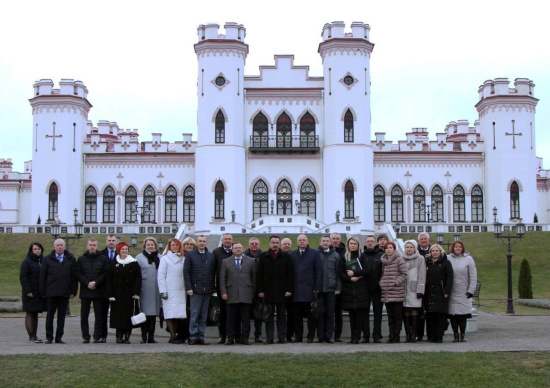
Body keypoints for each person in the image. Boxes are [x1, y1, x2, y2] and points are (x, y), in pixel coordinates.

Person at [256, 235, 294, 344]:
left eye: (277, 242)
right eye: (273, 242)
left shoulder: (286, 257)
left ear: (280, 244)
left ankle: (282, 337)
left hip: (282, 292)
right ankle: (269, 338)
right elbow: (259, 275)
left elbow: (290, 275)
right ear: (270, 244)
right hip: (268, 292)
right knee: (269, 317)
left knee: (282, 317)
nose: (275, 244)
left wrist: (289, 289)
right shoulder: (263, 256)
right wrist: (260, 290)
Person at [39, 238, 77, 344]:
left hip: (64, 292)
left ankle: (59, 337)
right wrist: (43, 291)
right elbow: (43, 277)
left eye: (61, 245)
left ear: (64, 247)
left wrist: (73, 291)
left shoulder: (70, 259)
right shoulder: (47, 259)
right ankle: (49, 337)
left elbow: (74, 276)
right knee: (50, 315)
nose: (59, 247)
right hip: (51, 292)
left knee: (61, 316)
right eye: (57, 245)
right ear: (54, 247)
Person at [219, 241, 256, 345]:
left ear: (243, 249)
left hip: (246, 293)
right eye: (236, 248)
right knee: (230, 318)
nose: (238, 249)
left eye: (240, 247)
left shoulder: (251, 261)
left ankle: (245, 338)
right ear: (232, 250)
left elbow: (254, 278)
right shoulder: (226, 262)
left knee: (245, 319)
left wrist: (253, 293)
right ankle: (230, 338)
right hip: (231, 294)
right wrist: (223, 292)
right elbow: (222, 279)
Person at [76, 238, 110, 343]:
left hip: (98, 291)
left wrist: (95, 283)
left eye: (94, 245)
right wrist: (87, 283)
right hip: (85, 291)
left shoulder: (103, 259)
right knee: (84, 316)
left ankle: (97, 336)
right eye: (90, 245)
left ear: (97, 246)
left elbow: (105, 273)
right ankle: (85, 336)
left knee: (99, 315)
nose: (92, 247)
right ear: (87, 246)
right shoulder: (81, 259)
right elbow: (78, 274)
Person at [184, 235, 216, 345]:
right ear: (196, 243)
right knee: (194, 314)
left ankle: (201, 336)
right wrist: (189, 288)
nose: (202, 243)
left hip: (207, 289)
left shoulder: (210, 256)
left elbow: (212, 273)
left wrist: (212, 287)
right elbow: (186, 272)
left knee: (203, 315)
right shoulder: (190, 255)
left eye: (204, 241)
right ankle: (193, 336)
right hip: (195, 290)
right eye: (200, 241)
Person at [107, 242, 141, 344]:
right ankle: (119, 336)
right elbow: (109, 279)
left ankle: (127, 336)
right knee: (118, 316)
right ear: (119, 250)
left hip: (129, 294)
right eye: (122, 249)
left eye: (126, 249)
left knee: (128, 316)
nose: (124, 251)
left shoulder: (134, 263)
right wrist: (110, 294)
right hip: (117, 295)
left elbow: (138, 278)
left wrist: (136, 292)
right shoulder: (114, 263)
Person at [290, 234, 322, 344]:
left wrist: (317, 286)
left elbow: (318, 271)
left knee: (311, 316)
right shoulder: (292, 254)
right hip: (296, 290)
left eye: (304, 240)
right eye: (300, 240)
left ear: (307, 242)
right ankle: (298, 336)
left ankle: (310, 336)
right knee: (297, 316)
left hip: (310, 289)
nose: (302, 241)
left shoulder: (315, 253)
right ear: (297, 242)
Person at [338, 236, 368, 344]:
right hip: (349, 291)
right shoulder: (344, 257)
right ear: (348, 245)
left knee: (359, 316)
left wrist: (355, 273)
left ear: (358, 245)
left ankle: (357, 337)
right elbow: (340, 273)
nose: (353, 245)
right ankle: (352, 337)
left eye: (355, 244)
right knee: (352, 316)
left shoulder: (362, 256)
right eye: (351, 243)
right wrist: (350, 278)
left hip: (360, 290)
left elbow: (366, 270)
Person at [158, 238, 187, 344]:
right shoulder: (165, 259)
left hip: (181, 290)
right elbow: (161, 276)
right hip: (169, 290)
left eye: (177, 245)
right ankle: (172, 335)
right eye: (173, 245)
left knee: (179, 314)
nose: (175, 247)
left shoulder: (183, 258)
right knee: (170, 314)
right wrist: (163, 290)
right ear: (169, 247)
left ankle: (179, 335)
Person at [448, 240, 477, 342]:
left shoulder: (468, 259)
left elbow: (473, 276)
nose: (458, 248)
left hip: (464, 292)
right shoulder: (448, 258)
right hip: (452, 291)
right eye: (456, 246)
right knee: (453, 315)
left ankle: (463, 334)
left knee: (462, 315)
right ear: (453, 248)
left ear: (462, 248)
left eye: (460, 247)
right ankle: (455, 335)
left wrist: (471, 290)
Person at [424, 244, 453, 343]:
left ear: (440, 252)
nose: (435, 252)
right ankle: (432, 335)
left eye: (437, 251)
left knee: (440, 316)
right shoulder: (428, 263)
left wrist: (446, 291)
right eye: (433, 251)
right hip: (430, 292)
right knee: (431, 315)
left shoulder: (446, 263)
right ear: (430, 253)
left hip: (441, 292)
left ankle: (439, 336)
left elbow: (450, 277)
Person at [135, 237, 162, 344]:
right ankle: (143, 335)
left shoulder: (159, 257)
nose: (150, 246)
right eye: (148, 245)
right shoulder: (139, 257)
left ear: (155, 246)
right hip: (144, 288)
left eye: (152, 244)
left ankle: (151, 336)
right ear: (145, 246)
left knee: (153, 313)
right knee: (145, 313)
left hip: (156, 288)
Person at [380, 241, 407, 343]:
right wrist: (382, 283)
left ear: (394, 249)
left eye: (390, 248)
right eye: (387, 248)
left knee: (397, 316)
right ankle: (391, 335)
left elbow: (404, 274)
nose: (388, 250)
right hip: (387, 293)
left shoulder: (399, 259)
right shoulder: (384, 261)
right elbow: (383, 275)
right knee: (390, 316)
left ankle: (396, 335)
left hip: (397, 292)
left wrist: (395, 283)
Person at [317, 235, 342, 343]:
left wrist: (338, 287)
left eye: (327, 241)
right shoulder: (316, 255)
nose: (325, 243)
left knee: (330, 313)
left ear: (330, 243)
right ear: (320, 242)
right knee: (319, 313)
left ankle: (329, 336)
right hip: (320, 289)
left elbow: (338, 273)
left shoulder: (336, 256)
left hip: (331, 289)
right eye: (323, 241)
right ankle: (320, 336)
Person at [20, 242, 46, 343]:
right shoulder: (26, 261)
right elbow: (23, 277)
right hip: (30, 292)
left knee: (35, 313)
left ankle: (35, 336)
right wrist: (28, 290)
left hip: (38, 292)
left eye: (39, 249)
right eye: (35, 249)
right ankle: (31, 336)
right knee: (30, 312)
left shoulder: (42, 261)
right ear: (31, 250)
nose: (37, 250)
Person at [402, 240, 426, 343]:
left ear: (415, 248)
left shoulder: (420, 258)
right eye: (407, 247)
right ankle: (408, 334)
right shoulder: (401, 258)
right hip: (404, 289)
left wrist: (420, 289)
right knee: (406, 311)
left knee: (414, 310)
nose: (409, 249)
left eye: (411, 247)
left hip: (414, 288)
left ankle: (414, 334)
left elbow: (422, 274)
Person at [361, 235, 383, 343]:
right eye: (368, 241)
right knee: (364, 314)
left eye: (372, 241)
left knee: (378, 313)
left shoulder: (381, 255)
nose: (370, 243)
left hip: (378, 289)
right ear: (365, 243)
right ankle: (366, 335)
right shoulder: (362, 255)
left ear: (376, 243)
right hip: (364, 289)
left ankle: (377, 335)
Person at [213, 233, 234, 344]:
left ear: (232, 240)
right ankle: (222, 335)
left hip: (235, 287)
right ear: (222, 240)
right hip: (222, 287)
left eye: (229, 239)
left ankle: (234, 335)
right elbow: (213, 270)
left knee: (234, 313)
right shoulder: (216, 252)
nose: (227, 241)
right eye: (225, 239)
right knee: (223, 314)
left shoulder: (236, 250)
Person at [244, 237, 264, 343]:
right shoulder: (243, 256)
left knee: (258, 315)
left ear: (259, 245)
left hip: (259, 291)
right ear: (249, 245)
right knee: (245, 315)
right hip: (246, 290)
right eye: (252, 243)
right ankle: (245, 335)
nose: (254, 245)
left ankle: (258, 335)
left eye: (256, 243)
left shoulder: (264, 256)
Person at [100, 234, 118, 340]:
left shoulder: (120, 254)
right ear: (106, 241)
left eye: (113, 240)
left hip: (116, 288)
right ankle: (103, 335)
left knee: (117, 313)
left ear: (116, 242)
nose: (111, 242)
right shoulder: (101, 254)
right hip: (104, 288)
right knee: (102, 314)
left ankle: (118, 335)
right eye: (109, 240)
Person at [330, 232, 346, 342]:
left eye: (337, 239)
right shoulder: (325, 250)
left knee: (338, 313)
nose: (335, 240)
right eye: (333, 238)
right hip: (328, 286)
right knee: (328, 312)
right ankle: (328, 333)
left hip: (341, 286)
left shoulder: (344, 252)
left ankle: (338, 335)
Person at [416, 232, 431, 342]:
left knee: (430, 311)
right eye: (421, 239)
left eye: (425, 239)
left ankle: (431, 334)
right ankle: (419, 334)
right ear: (418, 241)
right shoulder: (416, 251)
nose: (423, 240)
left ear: (429, 240)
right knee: (419, 311)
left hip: (431, 284)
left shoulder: (434, 251)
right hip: (419, 284)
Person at [281, 237, 295, 342]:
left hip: (292, 290)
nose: (286, 246)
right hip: (279, 290)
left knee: (291, 314)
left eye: (288, 244)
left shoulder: (294, 256)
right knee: (281, 314)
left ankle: (290, 334)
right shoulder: (277, 256)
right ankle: (281, 334)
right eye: (285, 244)